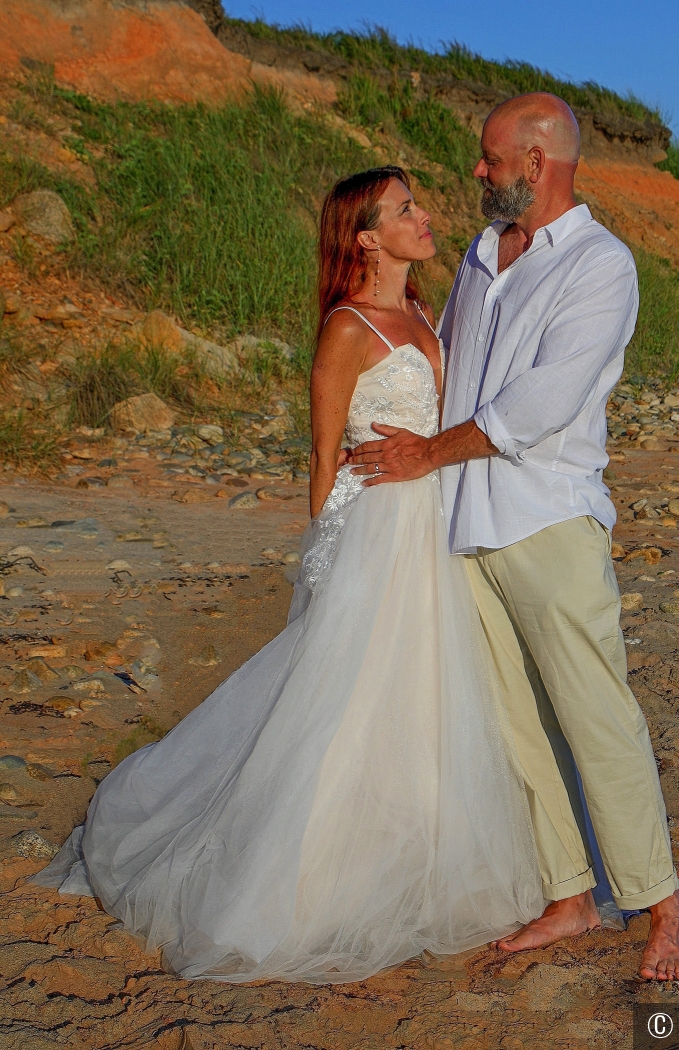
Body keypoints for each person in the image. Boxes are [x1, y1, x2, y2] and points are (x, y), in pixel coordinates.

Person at [31, 166, 545, 985]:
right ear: (366, 238)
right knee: (347, 694)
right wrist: (326, 561)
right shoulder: (346, 328)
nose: (425, 215)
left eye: (417, 202)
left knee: (427, 690)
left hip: (433, 521)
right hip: (378, 526)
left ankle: (414, 842)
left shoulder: (423, 310)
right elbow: (321, 455)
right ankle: (294, 871)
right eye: (404, 208)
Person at [348, 95, 679, 982]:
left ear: (537, 164)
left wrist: (428, 450)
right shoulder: (477, 253)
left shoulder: (600, 265)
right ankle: (570, 896)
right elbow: (450, 363)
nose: (477, 171)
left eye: (490, 158)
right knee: (518, 727)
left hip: (548, 520)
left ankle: (663, 908)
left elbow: (540, 404)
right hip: (463, 523)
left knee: (597, 717)